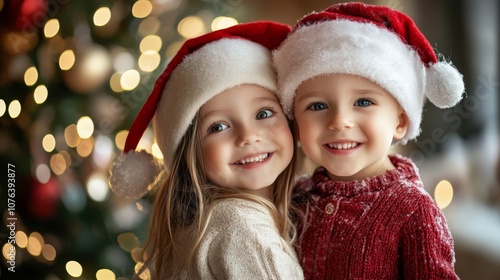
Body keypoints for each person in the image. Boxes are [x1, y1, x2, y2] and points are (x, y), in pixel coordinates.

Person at [273, 2, 464, 279]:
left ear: (400, 121)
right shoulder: (296, 197)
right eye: (316, 106)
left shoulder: (413, 211)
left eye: (363, 101)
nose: (339, 121)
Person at [109, 21, 304, 279]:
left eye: (264, 113)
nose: (248, 136)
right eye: (218, 126)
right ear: (190, 153)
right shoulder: (243, 231)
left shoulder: (213, 223)